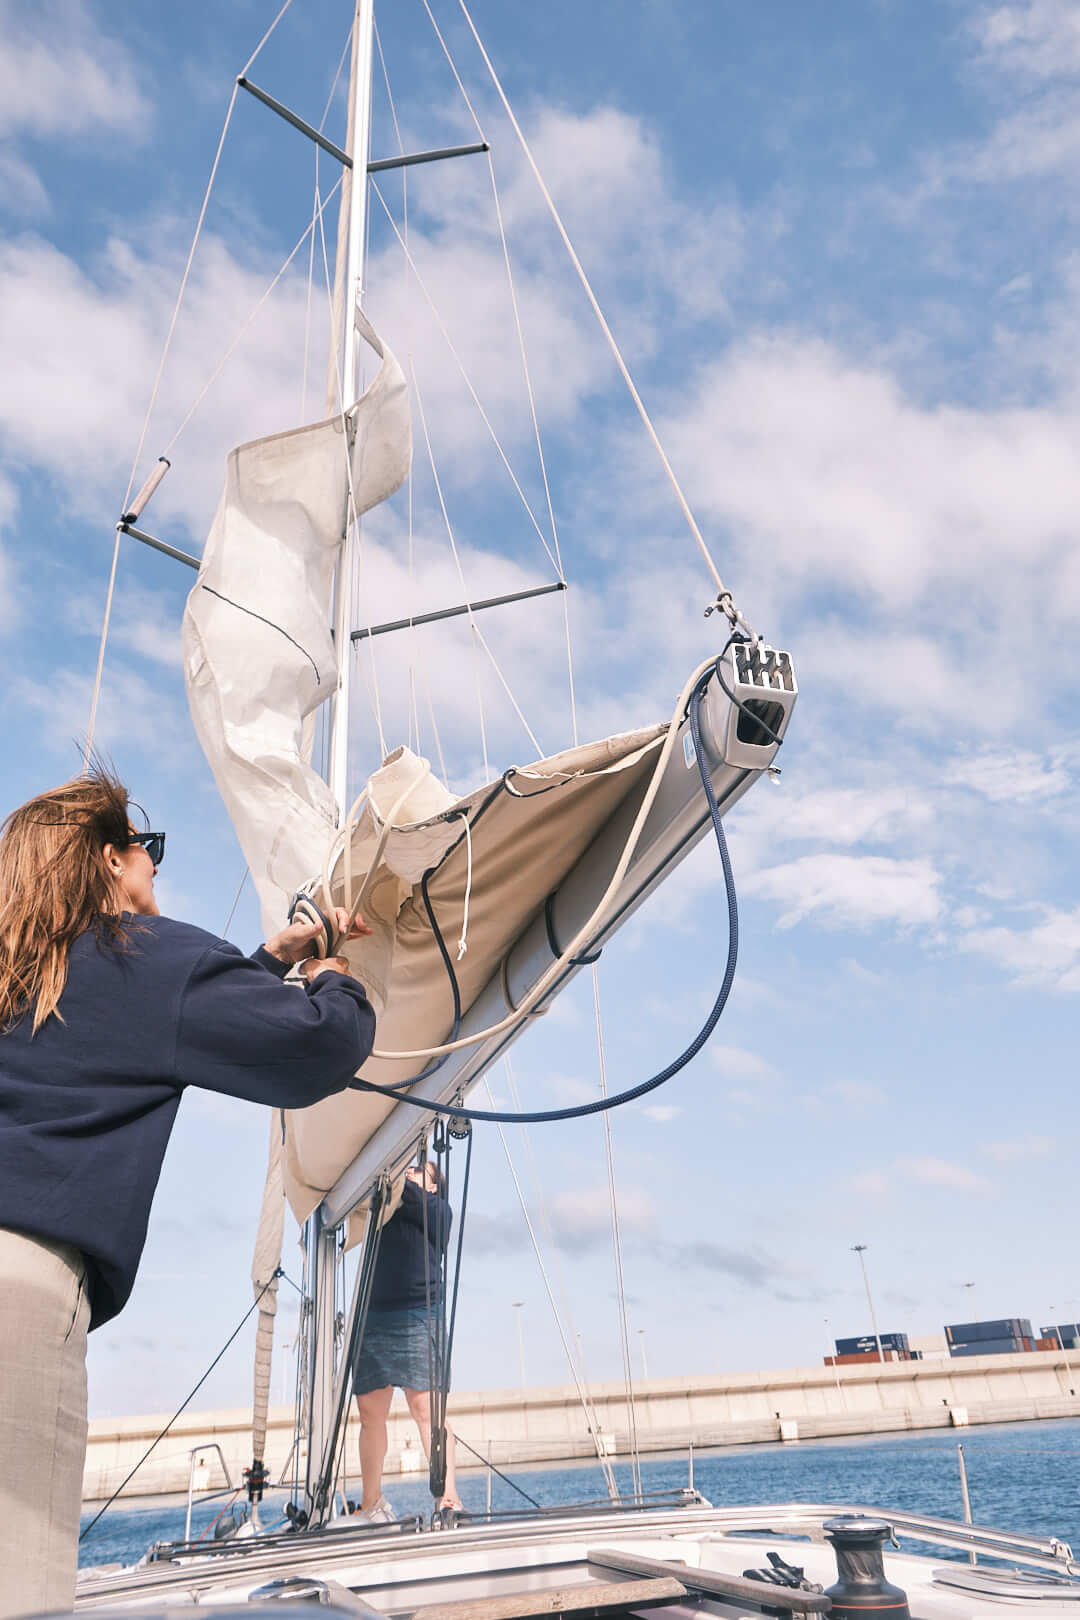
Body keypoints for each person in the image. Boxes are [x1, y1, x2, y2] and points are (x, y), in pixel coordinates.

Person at [0, 767, 377, 1620]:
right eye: (146, 848)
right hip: (18, 1295)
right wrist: (328, 971)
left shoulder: (20, 974)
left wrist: (260, 964)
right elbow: (319, 1047)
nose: (155, 866)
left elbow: (137, 1028)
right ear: (105, 863)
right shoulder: (141, 955)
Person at [351, 1159, 464, 1521]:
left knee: (427, 1411)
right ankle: (371, 1503)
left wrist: (399, 1182)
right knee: (370, 1414)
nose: (409, 1172)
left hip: (419, 1313)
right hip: (374, 1314)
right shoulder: (382, 1203)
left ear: (434, 1186)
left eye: (419, 1170)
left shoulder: (437, 1210)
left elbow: (414, 1198)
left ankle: (448, 1497)